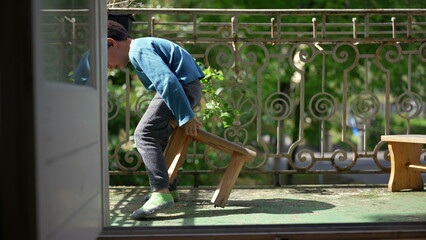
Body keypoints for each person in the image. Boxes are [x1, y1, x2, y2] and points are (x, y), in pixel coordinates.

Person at [107, 20, 205, 219]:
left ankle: (160, 193)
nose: (109, 67)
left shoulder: (137, 50)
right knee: (157, 136)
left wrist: (186, 116)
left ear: (111, 43)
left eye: (105, 59)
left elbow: (167, 80)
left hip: (180, 88)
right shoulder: (142, 45)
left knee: (143, 134)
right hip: (187, 87)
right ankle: (170, 188)